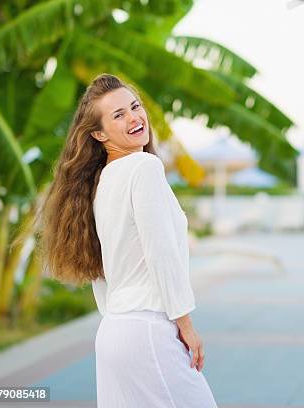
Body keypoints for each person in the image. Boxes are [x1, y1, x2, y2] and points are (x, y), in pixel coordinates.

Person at [39, 73, 217, 407]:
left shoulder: (99, 184)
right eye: (118, 115)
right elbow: (160, 253)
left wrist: (122, 320)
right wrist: (186, 325)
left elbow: (102, 270)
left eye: (135, 106)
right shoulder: (143, 168)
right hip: (148, 330)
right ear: (99, 133)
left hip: (114, 332)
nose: (135, 117)